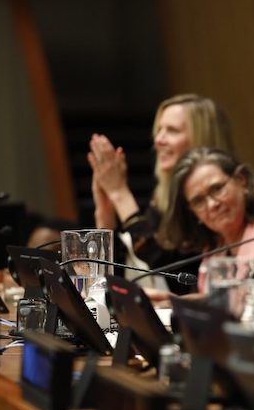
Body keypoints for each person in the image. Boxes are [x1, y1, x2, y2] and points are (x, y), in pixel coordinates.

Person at [88, 94, 233, 294]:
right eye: (158, 131)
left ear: (202, 139)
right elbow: (121, 275)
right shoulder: (161, 200)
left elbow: (169, 272)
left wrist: (120, 195)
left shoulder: (214, 203)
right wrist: (105, 218)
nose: (159, 140)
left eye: (171, 131)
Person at [158, 147, 254, 292]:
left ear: (241, 180)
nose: (212, 204)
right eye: (199, 200)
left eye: (217, 189)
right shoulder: (209, 253)